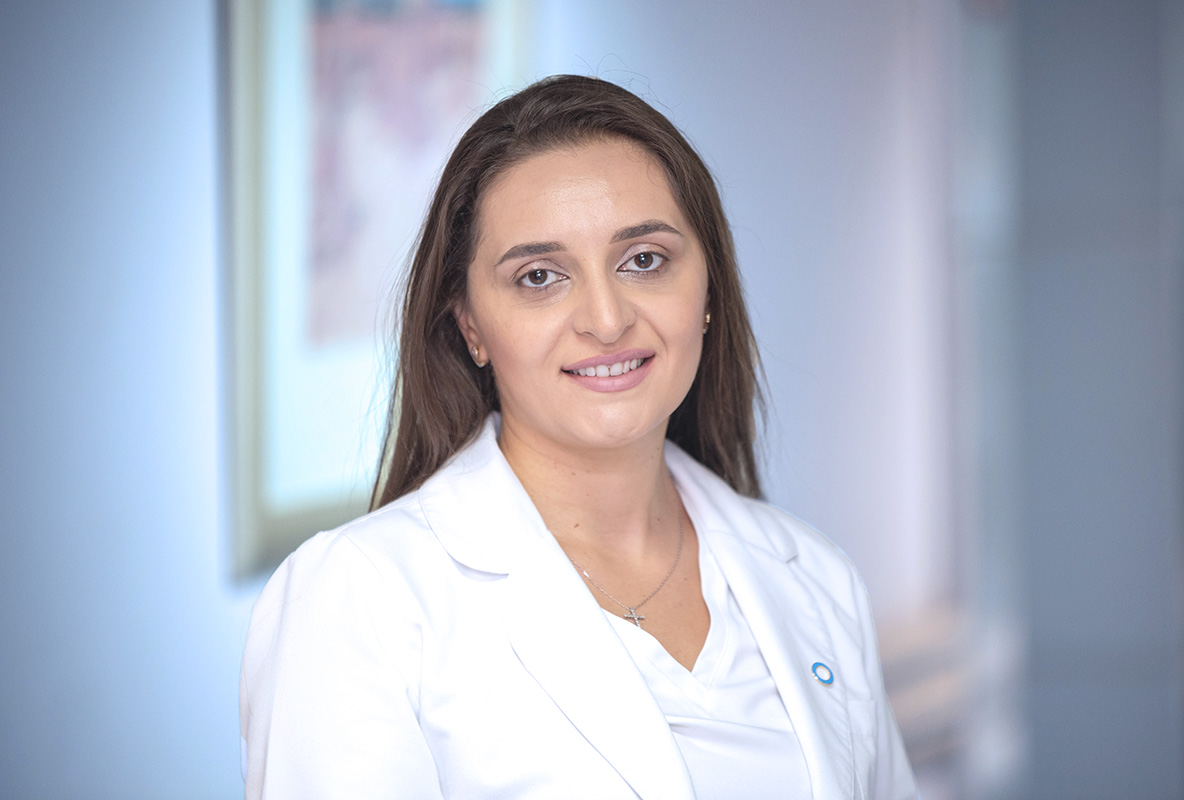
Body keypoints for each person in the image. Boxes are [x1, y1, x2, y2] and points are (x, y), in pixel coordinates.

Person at [239, 75, 919, 800]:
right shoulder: (360, 602)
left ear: (709, 290)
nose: (606, 318)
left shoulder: (815, 578)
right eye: (540, 276)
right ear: (470, 325)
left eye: (644, 260)